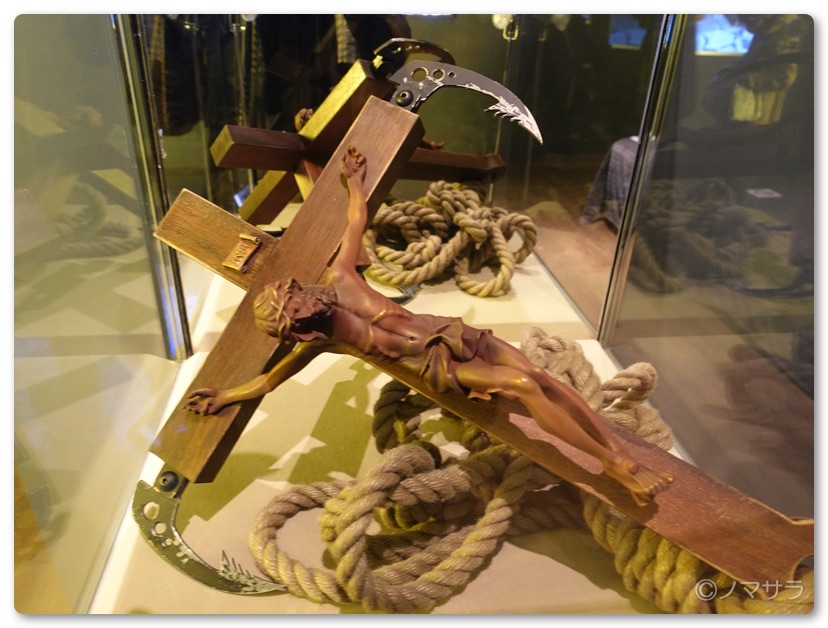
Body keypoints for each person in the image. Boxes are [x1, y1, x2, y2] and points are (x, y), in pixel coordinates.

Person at [184, 146, 673, 506]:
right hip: (436, 365)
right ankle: (613, 464)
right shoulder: (328, 340)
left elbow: (355, 223)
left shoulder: (342, 277)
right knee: (523, 385)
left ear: (296, 291)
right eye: (296, 322)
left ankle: (615, 447)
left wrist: (354, 183)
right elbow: (270, 380)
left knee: (539, 375)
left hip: (451, 331)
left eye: (295, 304)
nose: (303, 313)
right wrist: (226, 396)